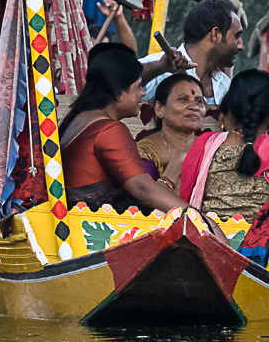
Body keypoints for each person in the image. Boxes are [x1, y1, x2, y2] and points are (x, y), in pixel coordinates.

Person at [58, 44, 200, 215]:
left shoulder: (79, 116)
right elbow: (144, 191)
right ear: (118, 93)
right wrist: (202, 221)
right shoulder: (108, 129)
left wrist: (161, 67)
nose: (143, 92)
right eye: (139, 86)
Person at [177, 69, 269, 217]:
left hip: (208, 236)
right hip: (262, 239)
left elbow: (184, 194)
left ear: (230, 109)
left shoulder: (205, 144)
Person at [142, 0, 243, 104]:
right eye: (237, 36)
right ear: (216, 35)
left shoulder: (225, 85)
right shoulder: (159, 66)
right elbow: (125, 81)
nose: (241, 46)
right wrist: (159, 67)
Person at [134, 72, 206, 190]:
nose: (194, 107)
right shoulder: (145, 152)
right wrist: (177, 163)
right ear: (159, 109)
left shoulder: (211, 148)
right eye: (183, 99)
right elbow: (147, 198)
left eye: (199, 101)